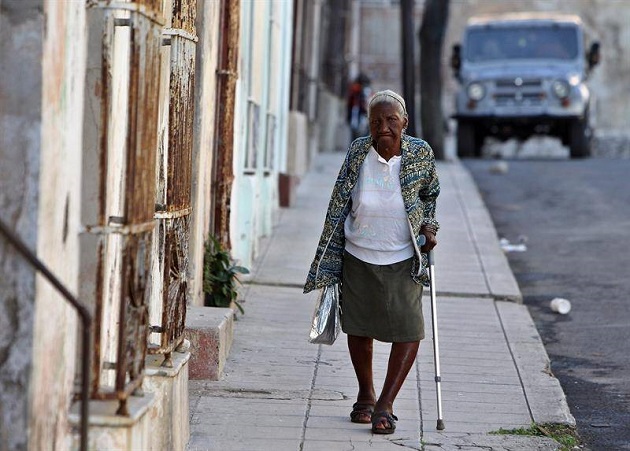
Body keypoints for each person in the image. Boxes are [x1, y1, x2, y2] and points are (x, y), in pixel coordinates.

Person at [304, 90, 440, 434]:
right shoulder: (358, 151)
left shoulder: (420, 153)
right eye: (377, 121)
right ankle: (365, 395)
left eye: (391, 120)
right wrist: (329, 252)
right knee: (360, 327)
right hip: (359, 253)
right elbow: (340, 196)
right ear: (369, 124)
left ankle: (386, 404)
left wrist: (429, 227)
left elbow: (429, 196)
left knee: (409, 329)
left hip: (403, 256)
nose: (384, 127)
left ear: (404, 123)